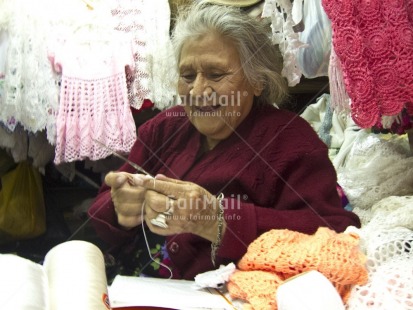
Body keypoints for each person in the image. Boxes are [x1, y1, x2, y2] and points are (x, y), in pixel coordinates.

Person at [88, 2, 361, 281]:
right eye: (187, 76)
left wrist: (220, 221)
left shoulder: (292, 142)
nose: (197, 90)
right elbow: (98, 213)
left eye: (216, 75)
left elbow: (335, 232)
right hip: (132, 287)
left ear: (257, 81)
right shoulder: (163, 128)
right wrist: (118, 206)